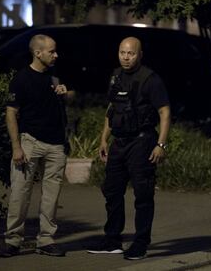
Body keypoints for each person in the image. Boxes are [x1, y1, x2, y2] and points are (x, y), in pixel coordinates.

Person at [87, 37, 171, 260]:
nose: (126, 57)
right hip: (119, 142)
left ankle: (141, 243)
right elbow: (112, 108)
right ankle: (112, 240)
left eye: (131, 53)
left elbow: (164, 112)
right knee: (112, 191)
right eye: (122, 53)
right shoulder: (116, 76)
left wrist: (161, 144)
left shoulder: (151, 79)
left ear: (140, 54)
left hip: (142, 142)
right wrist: (104, 139)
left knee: (143, 194)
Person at [0, 34, 72, 258]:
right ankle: (13, 241)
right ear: (38, 53)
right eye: (51, 51)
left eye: (55, 51)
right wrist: (16, 146)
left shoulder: (54, 78)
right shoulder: (21, 79)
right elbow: (11, 113)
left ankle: (46, 241)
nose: (56, 55)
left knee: (51, 196)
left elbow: (58, 108)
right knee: (20, 193)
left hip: (56, 145)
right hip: (30, 142)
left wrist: (64, 94)